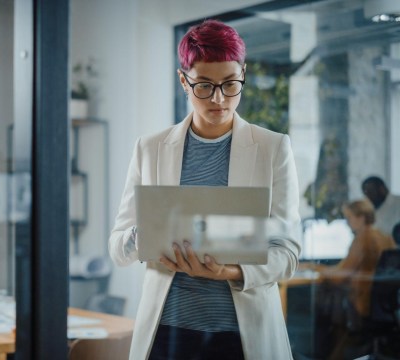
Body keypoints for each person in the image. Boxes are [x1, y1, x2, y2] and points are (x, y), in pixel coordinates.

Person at [109, 19, 300, 360]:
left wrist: (228, 272)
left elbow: (287, 254)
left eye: (230, 84)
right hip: (168, 333)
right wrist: (143, 235)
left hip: (241, 335)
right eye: (204, 86)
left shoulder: (272, 149)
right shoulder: (150, 148)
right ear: (184, 80)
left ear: (243, 74)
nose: (218, 98)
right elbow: (117, 247)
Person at [313, 199, 396, 359]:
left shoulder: (363, 238)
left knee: (324, 307)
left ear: (361, 217)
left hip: (361, 305)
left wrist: (314, 267)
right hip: (384, 306)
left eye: (349, 218)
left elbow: (340, 276)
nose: (346, 223)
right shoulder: (383, 236)